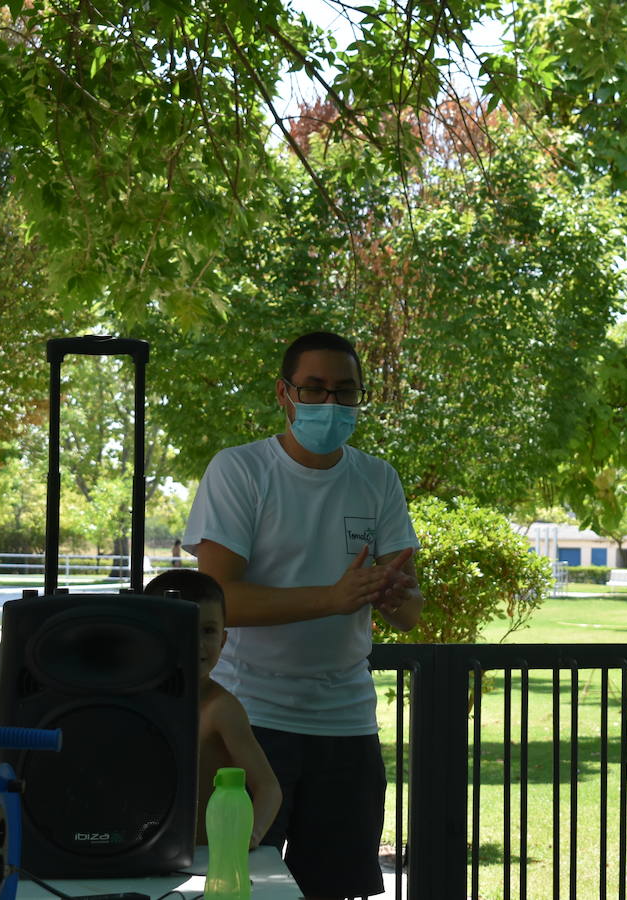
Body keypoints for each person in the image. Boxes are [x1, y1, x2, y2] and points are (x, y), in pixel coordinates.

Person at [182, 331, 423, 900]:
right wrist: (333, 597)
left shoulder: (377, 478)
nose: (330, 405)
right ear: (284, 394)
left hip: (346, 722)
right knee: (231, 883)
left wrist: (392, 597)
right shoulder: (241, 471)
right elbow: (218, 600)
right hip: (249, 719)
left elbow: (410, 613)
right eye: (314, 389)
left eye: (345, 392)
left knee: (337, 889)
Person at [144, 568, 282, 848]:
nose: (197, 644)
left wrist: (249, 837)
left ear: (223, 640)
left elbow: (268, 788)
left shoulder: (222, 709)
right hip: (140, 850)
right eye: (182, 630)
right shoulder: (137, 702)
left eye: (207, 631)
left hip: (203, 860)